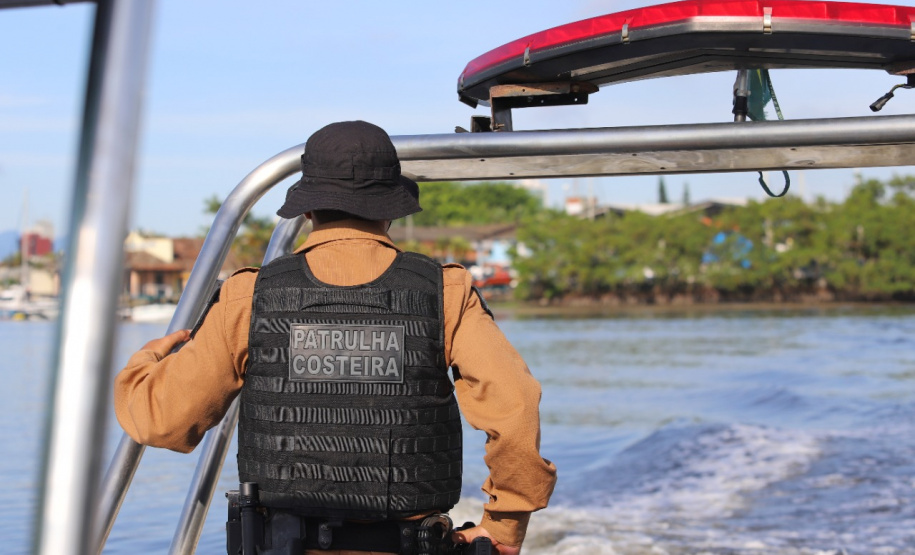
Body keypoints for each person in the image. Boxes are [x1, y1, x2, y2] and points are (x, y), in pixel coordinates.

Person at [114, 120, 556, 555]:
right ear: (390, 209)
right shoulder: (445, 291)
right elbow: (515, 405)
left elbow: (163, 421)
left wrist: (145, 362)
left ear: (307, 209)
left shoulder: (249, 296)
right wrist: (504, 524)